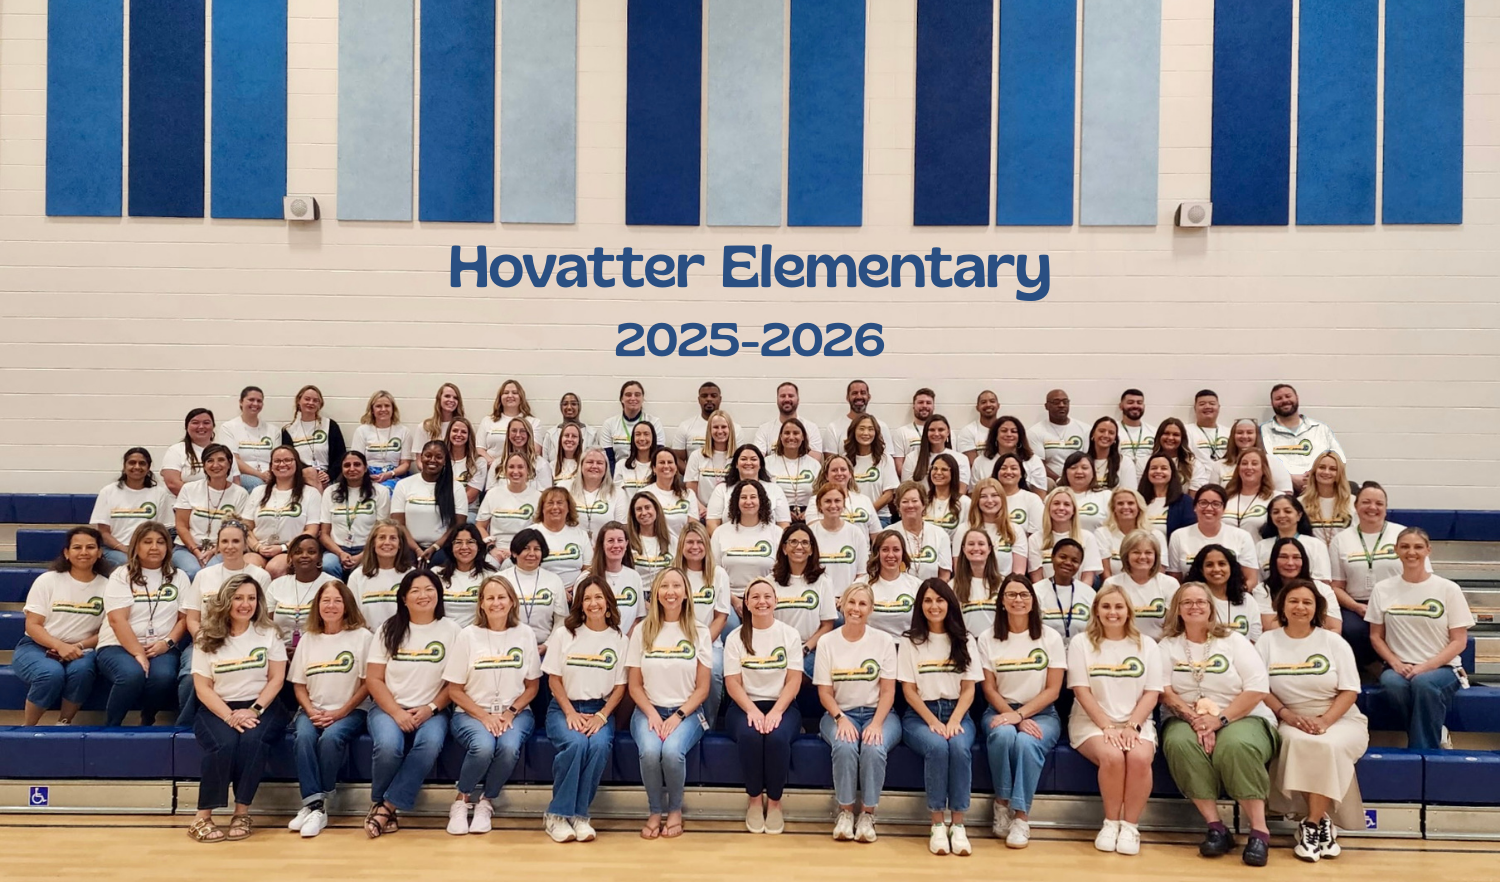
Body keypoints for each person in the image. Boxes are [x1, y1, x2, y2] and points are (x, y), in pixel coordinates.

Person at [1157, 583, 1278, 867]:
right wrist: (1196, 721)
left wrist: (1219, 720)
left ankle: (1259, 831)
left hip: (1242, 714)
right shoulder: (1167, 645)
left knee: (1236, 745)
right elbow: (1164, 691)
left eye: (1201, 601)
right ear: (1177, 609)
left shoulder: (1233, 641)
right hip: (1186, 716)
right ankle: (1216, 827)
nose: (1194, 607)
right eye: (1187, 602)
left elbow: (1257, 687)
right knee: (1179, 743)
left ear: (1211, 607)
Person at [1258, 581, 1368, 862]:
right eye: (1293, 601)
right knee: (1300, 743)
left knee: (1325, 745)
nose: (1300, 607)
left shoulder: (1333, 641)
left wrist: (1325, 721)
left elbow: (1350, 690)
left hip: (1339, 717)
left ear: (1317, 608)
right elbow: (1259, 690)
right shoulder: (1266, 642)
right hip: (1290, 716)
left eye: (1307, 602)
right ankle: (1322, 825)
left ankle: (1311, 824)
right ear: (1281, 606)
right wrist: (1288, 715)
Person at [187, 575, 289, 843]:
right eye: (239, 597)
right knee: (224, 744)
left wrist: (254, 710)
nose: (246, 604)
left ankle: (241, 812)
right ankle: (202, 817)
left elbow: (277, 678)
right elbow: (203, 688)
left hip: (263, 706)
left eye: (252, 598)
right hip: (218, 707)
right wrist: (230, 717)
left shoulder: (269, 633)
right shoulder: (205, 637)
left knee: (253, 740)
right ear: (226, 600)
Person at [1067, 584, 1164, 856]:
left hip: (1136, 720)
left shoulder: (1147, 644)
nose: (1113, 612)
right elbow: (1081, 690)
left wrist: (1133, 726)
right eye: (1106, 606)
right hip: (1091, 721)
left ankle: (1130, 826)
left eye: (1119, 607)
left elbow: (1152, 692)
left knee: (1139, 757)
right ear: (1096, 610)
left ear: (1128, 611)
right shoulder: (1081, 642)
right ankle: (1110, 823)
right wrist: (1107, 726)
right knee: (1112, 756)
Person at [363, 569, 460, 838]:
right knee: (388, 746)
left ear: (438, 595)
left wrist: (431, 708)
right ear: (404, 598)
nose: (423, 595)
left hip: (433, 709)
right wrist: (396, 712)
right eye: (415, 590)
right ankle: (380, 802)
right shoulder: (388, 629)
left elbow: (454, 683)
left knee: (428, 745)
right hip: (388, 707)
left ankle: (386, 807)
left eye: (429, 589)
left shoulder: (452, 631)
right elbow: (374, 679)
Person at [442, 575, 541, 835]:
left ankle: (487, 801)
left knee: (508, 748)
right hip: (471, 713)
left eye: (501, 597)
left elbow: (532, 687)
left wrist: (509, 712)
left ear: (511, 602)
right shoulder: (468, 636)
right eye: (490, 598)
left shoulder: (525, 633)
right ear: (481, 604)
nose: (496, 603)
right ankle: (461, 799)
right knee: (483, 746)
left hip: (516, 712)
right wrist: (485, 716)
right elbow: (454, 690)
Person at [976, 573, 1067, 849]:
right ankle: (1001, 805)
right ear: (1002, 601)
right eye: (1011, 595)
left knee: (1027, 742)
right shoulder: (987, 638)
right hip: (999, 710)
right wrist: (1011, 717)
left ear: (1033, 601)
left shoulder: (1050, 637)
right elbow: (989, 690)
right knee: (1003, 736)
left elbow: (1053, 690)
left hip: (1041, 713)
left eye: (1024, 595)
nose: (1018, 600)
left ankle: (1021, 817)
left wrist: (1021, 716)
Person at [1367, 527, 1474, 750]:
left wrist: (1426, 666)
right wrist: (1396, 663)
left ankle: (1422, 755)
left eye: (1418, 547)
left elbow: (1459, 641)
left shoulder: (1448, 589)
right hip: (1400, 667)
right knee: (1392, 684)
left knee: (1424, 684)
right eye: (1404, 546)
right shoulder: (1382, 589)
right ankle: (1436, 730)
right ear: (1396, 550)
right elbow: (1376, 636)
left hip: (1443, 668)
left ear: (1428, 550)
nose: (1411, 552)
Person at [542, 575, 629, 843]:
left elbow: (620, 687)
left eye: (598, 597)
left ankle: (579, 815)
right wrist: (570, 712)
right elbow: (553, 679)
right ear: (580, 603)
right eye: (587, 598)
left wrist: (602, 716)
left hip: (600, 711)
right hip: (564, 707)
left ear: (608, 602)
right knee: (577, 744)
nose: (593, 603)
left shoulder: (619, 638)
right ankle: (556, 815)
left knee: (599, 746)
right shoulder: (564, 634)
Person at [898, 578, 982, 856]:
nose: (934, 606)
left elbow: (969, 689)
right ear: (920, 606)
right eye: (928, 601)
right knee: (937, 746)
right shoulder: (910, 641)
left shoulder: (966, 639)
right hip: (920, 716)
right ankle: (936, 823)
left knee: (958, 747)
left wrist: (955, 720)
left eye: (940, 600)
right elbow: (909, 691)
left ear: (950, 603)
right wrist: (933, 722)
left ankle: (958, 825)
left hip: (958, 712)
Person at [628, 568, 713, 840]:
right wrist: (652, 714)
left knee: (673, 751)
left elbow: (702, 689)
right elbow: (634, 685)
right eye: (664, 586)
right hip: (647, 710)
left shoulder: (700, 631)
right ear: (655, 593)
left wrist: (677, 715)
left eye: (677, 586)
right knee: (651, 752)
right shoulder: (642, 630)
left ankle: (674, 810)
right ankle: (655, 811)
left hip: (687, 712)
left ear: (686, 593)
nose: (671, 591)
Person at [815, 582, 900, 843]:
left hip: (880, 713)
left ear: (871, 609)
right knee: (845, 744)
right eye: (851, 602)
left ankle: (867, 815)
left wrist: (876, 724)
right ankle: (845, 812)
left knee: (874, 747)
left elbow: (887, 692)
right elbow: (825, 693)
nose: (856, 608)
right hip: (840, 713)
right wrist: (840, 718)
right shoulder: (827, 642)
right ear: (841, 605)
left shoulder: (883, 641)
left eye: (863, 604)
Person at [287, 579, 372, 839]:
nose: (331, 606)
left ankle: (316, 805)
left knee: (331, 738)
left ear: (347, 605)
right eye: (326, 601)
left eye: (337, 600)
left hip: (351, 711)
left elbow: (368, 683)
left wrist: (341, 712)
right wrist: (311, 710)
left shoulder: (362, 637)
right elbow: (299, 685)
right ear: (318, 606)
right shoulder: (309, 638)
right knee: (303, 738)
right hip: (312, 710)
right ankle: (314, 805)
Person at [724, 578, 805, 835]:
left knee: (777, 738)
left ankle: (776, 803)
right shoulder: (735, 637)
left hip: (782, 704)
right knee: (750, 735)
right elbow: (733, 682)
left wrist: (777, 711)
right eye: (755, 597)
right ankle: (755, 800)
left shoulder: (789, 634)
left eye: (767, 596)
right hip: (744, 705)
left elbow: (794, 679)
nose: (762, 601)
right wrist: (752, 710)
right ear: (746, 603)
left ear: (775, 601)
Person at [95, 523, 187, 726]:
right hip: (117, 645)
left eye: (160, 542)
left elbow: (184, 619)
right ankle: (111, 727)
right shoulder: (122, 574)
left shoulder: (179, 577)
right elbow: (117, 620)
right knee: (131, 675)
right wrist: (137, 652)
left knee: (164, 677)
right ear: (136, 546)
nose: (154, 547)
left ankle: (147, 720)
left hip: (161, 646)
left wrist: (168, 643)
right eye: (147, 542)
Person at [180, 521, 272, 724]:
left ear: (245, 545)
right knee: (189, 677)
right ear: (218, 545)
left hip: (247, 642)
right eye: (225, 541)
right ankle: (186, 726)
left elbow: (265, 618)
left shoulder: (260, 576)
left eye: (236, 541)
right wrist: (204, 640)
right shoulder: (203, 576)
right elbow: (193, 618)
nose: (230, 546)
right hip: (207, 641)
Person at [16, 527, 109, 725]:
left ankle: (63, 724)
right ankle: (28, 728)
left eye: (90, 547)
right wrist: (60, 646)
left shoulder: (109, 586)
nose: (84, 552)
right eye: (77, 547)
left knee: (82, 671)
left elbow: (109, 630)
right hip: (36, 646)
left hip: (84, 648)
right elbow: (33, 625)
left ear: (99, 552)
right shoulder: (47, 580)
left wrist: (79, 647)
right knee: (51, 673)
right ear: (67, 553)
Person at [1331, 482, 1418, 667]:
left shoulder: (1402, 533)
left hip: (1398, 601)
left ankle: (1397, 666)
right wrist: (1355, 607)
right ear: (1356, 506)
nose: (1372, 507)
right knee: (1351, 629)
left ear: (1386, 508)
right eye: (1366, 502)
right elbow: (1336, 586)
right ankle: (1368, 670)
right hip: (1357, 604)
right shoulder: (1341, 540)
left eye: (1379, 503)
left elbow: (1420, 576)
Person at [675, 521, 732, 724]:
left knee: (714, 671)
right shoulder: (672, 574)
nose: (695, 546)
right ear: (681, 545)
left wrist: (701, 644)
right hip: (675, 641)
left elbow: (721, 617)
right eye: (690, 542)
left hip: (709, 642)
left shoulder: (718, 574)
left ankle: (709, 723)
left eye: (700, 542)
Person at [241, 445, 325, 578]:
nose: (282, 464)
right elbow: (245, 528)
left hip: (291, 550)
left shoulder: (310, 493)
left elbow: (312, 530)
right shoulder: (258, 492)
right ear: (271, 466)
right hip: (259, 548)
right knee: (248, 568)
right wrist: (257, 547)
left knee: (275, 569)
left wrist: (283, 548)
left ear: (296, 463)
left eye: (287, 460)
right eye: (277, 461)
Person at [171, 443, 248, 581]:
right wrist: (196, 551)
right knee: (192, 572)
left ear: (230, 463)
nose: (215, 465)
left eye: (221, 460)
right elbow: (181, 525)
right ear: (204, 465)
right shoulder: (189, 489)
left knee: (212, 573)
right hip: (187, 549)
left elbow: (239, 530)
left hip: (222, 550)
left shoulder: (240, 494)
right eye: (210, 461)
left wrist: (213, 551)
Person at [768, 524, 836, 677]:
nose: (799, 546)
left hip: (810, 648)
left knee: (804, 673)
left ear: (812, 549)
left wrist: (805, 649)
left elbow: (827, 625)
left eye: (805, 542)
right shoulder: (770, 582)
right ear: (784, 548)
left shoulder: (823, 582)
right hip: (778, 648)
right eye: (793, 542)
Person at [92, 447, 174, 569]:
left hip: (150, 549)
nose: (137, 467)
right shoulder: (108, 492)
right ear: (124, 467)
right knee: (132, 564)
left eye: (142, 463)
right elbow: (104, 533)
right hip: (116, 550)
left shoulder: (160, 493)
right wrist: (125, 549)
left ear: (148, 468)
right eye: (132, 463)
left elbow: (164, 530)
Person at [711, 480, 783, 613]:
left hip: (766, 599)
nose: (748, 501)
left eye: (753, 497)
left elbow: (781, 572)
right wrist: (734, 600)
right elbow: (714, 573)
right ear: (736, 502)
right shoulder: (720, 532)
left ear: (761, 500)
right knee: (729, 624)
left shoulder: (777, 533)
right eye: (743, 497)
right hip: (729, 599)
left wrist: (757, 599)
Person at [1167, 485, 1260, 588]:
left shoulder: (1242, 536)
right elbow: (1175, 579)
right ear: (1194, 507)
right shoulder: (1178, 536)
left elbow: (1251, 580)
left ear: (1224, 508)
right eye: (1203, 503)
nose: (1209, 508)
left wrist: (1230, 598)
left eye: (1216, 504)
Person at [391, 442, 467, 564]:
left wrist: (435, 547)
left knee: (440, 562)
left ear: (445, 461)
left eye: (438, 457)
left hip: (442, 546)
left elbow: (457, 525)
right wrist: (416, 549)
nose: (432, 460)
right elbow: (398, 524)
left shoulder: (456, 488)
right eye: (428, 455)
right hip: (409, 545)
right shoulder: (403, 485)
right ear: (421, 457)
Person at [1261, 384, 1347, 493]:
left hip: (1321, 487)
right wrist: (1289, 479)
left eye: (1288, 396)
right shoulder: (1262, 432)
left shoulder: (1321, 429)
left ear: (1297, 398)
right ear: (1272, 403)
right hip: (1282, 491)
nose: (1284, 400)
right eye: (1278, 398)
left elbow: (1340, 460)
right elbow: (1260, 465)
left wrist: (1315, 478)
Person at [320, 450, 391, 577]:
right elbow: (324, 534)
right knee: (327, 565)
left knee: (366, 570)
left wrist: (360, 556)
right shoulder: (330, 492)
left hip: (368, 549)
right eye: (347, 465)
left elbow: (382, 532)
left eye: (357, 464)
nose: (352, 468)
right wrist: (340, 553)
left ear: (365, 468)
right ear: (341, 469)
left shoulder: (381, 492)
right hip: (337, 549)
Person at [1185, 545, 1274, 641]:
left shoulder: (1247, 600)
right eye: (1209, 565)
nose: (1216, 569)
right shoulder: (1193, 602)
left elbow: (1255, 639)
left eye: (1222, 564)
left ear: (1231, 568)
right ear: (1201, 570)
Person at [1103, 530, 1179, 642]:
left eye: (1148, 552)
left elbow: (1171, 626)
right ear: (1126, 555)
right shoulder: (1112, 583)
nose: (1142, 557)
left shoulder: (1170, 584)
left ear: (1156, 556)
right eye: (1136, 552)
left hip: (1160, 647)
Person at [499, 528, 569, 647]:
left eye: (537, 549)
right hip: (506, 646)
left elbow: (561, 620)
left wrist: (548, 645)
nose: (532, 553)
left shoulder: (554, 580)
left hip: (544, 648)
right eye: (526, 548)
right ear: (515, 553)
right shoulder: (500, 580)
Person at [266, 535, 337, 651]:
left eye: (311, 552)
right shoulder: (276, 585)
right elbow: (268, 626)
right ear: (291, 557)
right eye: (298, 552)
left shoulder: (333, 585)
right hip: (281, 652)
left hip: (321, 651)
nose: (304, 555)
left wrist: (302, 652)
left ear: (320, 558)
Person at [348, 520, 417, 633]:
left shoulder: (411, 575)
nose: (387, 542)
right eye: (382, 537)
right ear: (373, 543)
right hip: (367, 638)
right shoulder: (357, 576)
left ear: (400, 544)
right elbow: (352, 614)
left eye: (393, 538)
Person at [1263, 537, 1343, 633]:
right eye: (1284, 557)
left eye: (1296, 557)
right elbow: (1269, 627)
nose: (1290, 563)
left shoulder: (1323, 589)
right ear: (1274, 561)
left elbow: (1334, 628)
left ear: (1304, 561)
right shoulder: (1263, 590)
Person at [705, 445, 793, 531]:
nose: (748, 463)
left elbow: (783, 525)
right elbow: (712, 523)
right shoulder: (722, 489)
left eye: (753, 459)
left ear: (760, 464)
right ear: (736, 464)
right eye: (743, 459)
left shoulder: (775, 490)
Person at [476, 453, 543, 565]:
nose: (515, 471)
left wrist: (516, 551)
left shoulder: (538, 497)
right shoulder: (493, 494)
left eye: (520, 467)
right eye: (511, 467)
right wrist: (492, 548)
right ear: (505, 471)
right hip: (495, 550)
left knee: (509, 565)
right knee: (487, 566)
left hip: (524, 551)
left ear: (528, 470)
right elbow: (480, 526)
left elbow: (540, 531)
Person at [958, 479, 1031, 577]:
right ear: (976, 500)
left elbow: (1018, 572)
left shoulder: (1015, 530)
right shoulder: (964, 529)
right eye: (983, 496)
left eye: (994, 495)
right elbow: (959, 570)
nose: (989, 500)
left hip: (1005, 589)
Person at [809, 483, 871, 597]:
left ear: (843, 504)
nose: (833, 505)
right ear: (819, 505)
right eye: (827, 501)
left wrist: (848, 597)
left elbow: (862, 573)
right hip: (818, 598)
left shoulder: (856, 533)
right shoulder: (810, 533)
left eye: (837, 501)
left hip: (848, 601)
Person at [281, 385, 346, 491]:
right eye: (307, 399)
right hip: (301, 476)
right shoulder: (289, 430)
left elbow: (341, 455)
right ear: (298, 401)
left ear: (320, 404)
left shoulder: (330, 425)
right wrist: (313, 474)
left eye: (315, 400)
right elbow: (290, 459)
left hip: (327, 476)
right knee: (311, 474)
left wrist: (329, 475)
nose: (311, 403)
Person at [1094, 487, 1166, 579]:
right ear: (1113, 508)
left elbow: (1159, 571)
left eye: (1130, 503)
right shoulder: (1102, 533)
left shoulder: (1155, 535)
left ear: (1139, 507)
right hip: (1115, 588)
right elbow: (1105, 573)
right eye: (1120, 503)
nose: (1125, 507)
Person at [587, 523, 646, 635]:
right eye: (610, 541)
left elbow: (637, 618)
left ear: (626, 543)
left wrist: (623, 643)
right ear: (601, 545)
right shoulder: (586, 578)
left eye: (620, 540)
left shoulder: (635, 577)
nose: (616, 545)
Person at [1257, 495, 1331, 582]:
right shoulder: (1260, 546)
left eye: (1287, 511)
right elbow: (1257, 581)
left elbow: (1323, 582)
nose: (1281, 515)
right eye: (1276, 512)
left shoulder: (1316, 545)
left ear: (1299, 515)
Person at [1036, 489, 1103, 583]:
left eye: (1067, 504)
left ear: (1073, 510)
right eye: (1056, 503)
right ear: (1048, 508)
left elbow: (1088, 578)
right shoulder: (1035, 539)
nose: (1061, 508)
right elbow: (1037, 580)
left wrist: (1078, 596)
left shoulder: (1087, 537)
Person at [161, 408, 234, 495]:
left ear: (213, 426)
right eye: (195, 423)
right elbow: (172, 484)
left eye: (206, 423)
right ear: (186, 426)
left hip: (221, 503)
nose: (201, 426)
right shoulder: (176, 450)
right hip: (185, 503)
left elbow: (235, 482)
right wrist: (202, 499)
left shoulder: (224, 451)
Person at [1035, 538, 1095, 643]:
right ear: (1052, 558)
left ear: (1080, 565)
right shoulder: (1036, 591)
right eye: (1063, 557)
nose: (1068, 563)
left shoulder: (1089, 593)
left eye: (1075, 560)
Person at [349, 391, 413, 489]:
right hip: (368, 475)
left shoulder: (404, 431)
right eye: (378, 406)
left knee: (387, 491)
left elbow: (405, 464)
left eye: (387, 406)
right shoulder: (362, 431)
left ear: (393, 409)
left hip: (395, 475)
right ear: (372, 410)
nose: (383, 409)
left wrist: (390, 474)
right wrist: (367, 477)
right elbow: (356, 461)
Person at [438, 523, 496, 627]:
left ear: (478, 546)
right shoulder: (437, 574)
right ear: (451, 547)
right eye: (458, 542)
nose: (464, 547)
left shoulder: (490, 576)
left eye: (470, 542)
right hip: (444, 635)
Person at [893, 482, 953, 581]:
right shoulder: (888, 533)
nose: (910, 505)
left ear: (924, 504)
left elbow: (945, 575)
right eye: (905, 501)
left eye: (914, 501)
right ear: (898, 506)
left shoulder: (940, 534)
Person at [866, 530, 922, 637]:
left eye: (896, 550)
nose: (891, 555)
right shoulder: (862, 585)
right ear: (877, 553)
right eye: (885, 550)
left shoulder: (916, 585)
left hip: (906, 647)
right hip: (872, 648)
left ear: (903, 553)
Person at [534, 486, 593, 587]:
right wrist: (558, 591)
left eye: (560, 503)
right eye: (550, 503)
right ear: (542, 508)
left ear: (568, 508)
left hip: (576, 594)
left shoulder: (581, 535)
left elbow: (588, 569)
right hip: (542, 592)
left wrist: (576, 589)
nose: (555, 507)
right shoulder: (531, 533)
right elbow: (526, 571)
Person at [221, 387, 277, 491]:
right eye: (251, 400)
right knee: (257, 486)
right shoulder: (228, 427)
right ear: (241, 402)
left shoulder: (273, 430)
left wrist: (272, 475)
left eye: (259, 401)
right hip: (243, 475)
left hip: (271, 475)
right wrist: (260, 475)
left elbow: (278, 458)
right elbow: (234, 459)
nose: (255, 404)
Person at [952, 528, 1007, 636]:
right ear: (963, 549)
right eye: (971, 544)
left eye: (981, 544)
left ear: (990, 548)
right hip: (968, 645)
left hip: (998, 644)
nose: (976, 548)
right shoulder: (953, 586)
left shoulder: (1004, 584)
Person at [598, 380, 667, 465]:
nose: (633, 398)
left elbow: (658, 455)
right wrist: (617, 477)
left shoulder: (654, 422)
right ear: (622, 399)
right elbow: (608, 460)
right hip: (618, 473)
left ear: (642, 399)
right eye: (628, 395)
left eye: (637, 395)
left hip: (647, 473)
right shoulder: (609, 424)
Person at [814, 454, 882, 539]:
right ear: (826, 476)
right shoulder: (815, 500)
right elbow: (814, 534)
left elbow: (876, 536)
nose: (839, 473)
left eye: (843, 469)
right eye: (834, 470)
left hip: (863, 551)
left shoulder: (865, 500)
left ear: (850, 474)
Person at [1029, 389, 1088, 485]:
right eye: (1056, 402)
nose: (1061, 405)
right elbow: (1038, 464)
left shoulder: (1084, 429)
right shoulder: (1035, 432)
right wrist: (1059, 480)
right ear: (1046, 406)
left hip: (1079, 478)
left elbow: (1088, 460)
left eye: (1065, 402)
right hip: (1051, 482)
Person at [673, 382, 740, 465]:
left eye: (713, 396)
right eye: (704, 396)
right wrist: (692, 474)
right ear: (699, 400)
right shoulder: (685, 426)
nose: (709, 399)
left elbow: (739, 458)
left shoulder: (735, 428)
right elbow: (677, 458)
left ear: (720, 399)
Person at [754, 382, 824, 461]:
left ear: (798, 399)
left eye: (791, 396)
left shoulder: (811, 428)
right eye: (783, 396)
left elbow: (816, 459)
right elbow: (758, 459)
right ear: (777, 400)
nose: (787, 399)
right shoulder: (764, 429)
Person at [974, 416, 1047, 493]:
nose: (1009, 434)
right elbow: (973, 494)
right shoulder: (980, 462)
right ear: (995, 435)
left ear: (1020, 436)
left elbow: (1040, 496)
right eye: (1004, 431)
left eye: (1014, 431)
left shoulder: (1033, 460)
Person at [765, 418, 820, 516]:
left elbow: (821, 494)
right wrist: (783, 512)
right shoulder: (767, 463)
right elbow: (764, 494)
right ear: (781, 437)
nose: (791, 437)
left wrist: (810, 512)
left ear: (803, 437)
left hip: (808, 514)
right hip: (776, 514)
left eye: (796, 433)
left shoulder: (814, 464)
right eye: (787, 433)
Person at [825, 379, 895, 456]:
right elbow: (830, 463)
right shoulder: (833, 428)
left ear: (869, 397)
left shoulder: (881, 426)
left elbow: (888, 460)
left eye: (863, 393)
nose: (859, 396)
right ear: (847, 398)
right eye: (854, 393)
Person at [845, 413, 898, 512]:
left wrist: (867, 513)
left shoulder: (885, 459)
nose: (866, 433)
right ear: (854, 431)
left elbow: (888, 495)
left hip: (880, 517)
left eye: (870, 429)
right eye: (861, 428)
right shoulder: (845, 460)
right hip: (850, 517)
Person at [901, 415, 972, 489]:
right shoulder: (912, 458)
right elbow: (907, 489)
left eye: (941, 430)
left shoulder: (961, 459)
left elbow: (961, 491)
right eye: (932, 430)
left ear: (948, 432)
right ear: (926, 433)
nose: (936, 434)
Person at [569, 448, 629, 537]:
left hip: (605, 549)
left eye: (599, 463)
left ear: (606, 468)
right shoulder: (565, 488)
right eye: (590, 462)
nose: (594, 466)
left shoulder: (618, 493)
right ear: (581, 466)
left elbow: (621, 529)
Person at [477, 379, 544, 457]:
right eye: (506, 393)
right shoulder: (487, 421)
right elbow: (479, 449)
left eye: (515, 393)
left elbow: (535, 451)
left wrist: (513, 465)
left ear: (521, 397)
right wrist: (494, 465)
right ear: (500, 397)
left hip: (521, 468)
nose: (510, 396)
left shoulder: (533, 422)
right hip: (492, 467)